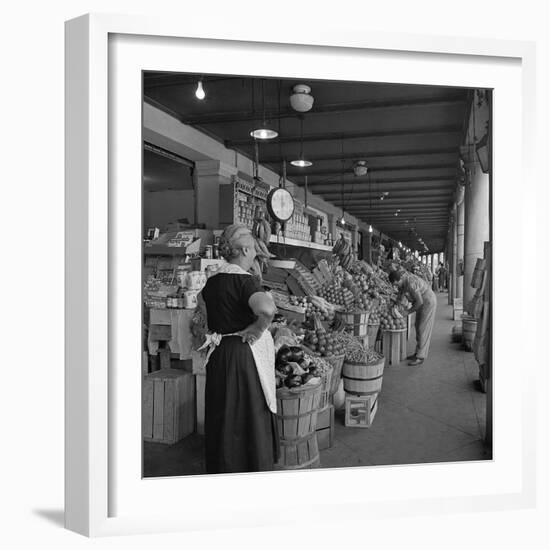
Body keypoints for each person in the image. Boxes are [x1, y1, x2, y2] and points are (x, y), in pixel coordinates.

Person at [197, 224, 280, 473]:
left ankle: (223, 467)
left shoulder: (212, 282)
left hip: (219, 353)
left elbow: (201, 310)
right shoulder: (244, 282)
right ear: (243, 249)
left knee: (223, 414)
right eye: (253, 246)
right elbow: (267, 309)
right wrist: (257, 329)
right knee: (247, 414)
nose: (256, 250)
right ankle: (250, 468)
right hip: (243, 356)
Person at [389, 269, 437, 366]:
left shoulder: (410, 283)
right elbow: (400, 295)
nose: (395, 286)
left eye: (395, 284)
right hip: (421, 301)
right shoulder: (402, 283)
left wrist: (407, 312)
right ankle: (417, 353)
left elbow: (419, 302)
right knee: (417, 325)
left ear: (399, 280)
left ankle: (420, 357)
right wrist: (396, 305)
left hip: (428, 300)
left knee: (422, 328)